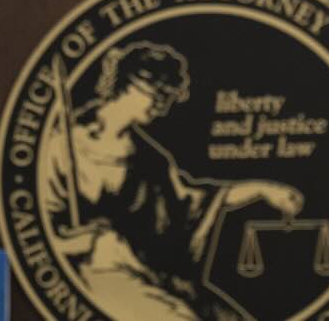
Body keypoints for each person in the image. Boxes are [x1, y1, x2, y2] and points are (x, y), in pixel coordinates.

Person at [42, 42, 302, 320]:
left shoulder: (149, 159)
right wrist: (87, 243)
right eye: (158, 93)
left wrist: (261, 190)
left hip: (150, 272)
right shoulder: (62, 146)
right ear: (129, 84)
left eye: (168, 96)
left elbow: (191, 204)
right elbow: (39, 236)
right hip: (99, 278)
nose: (162, 106)